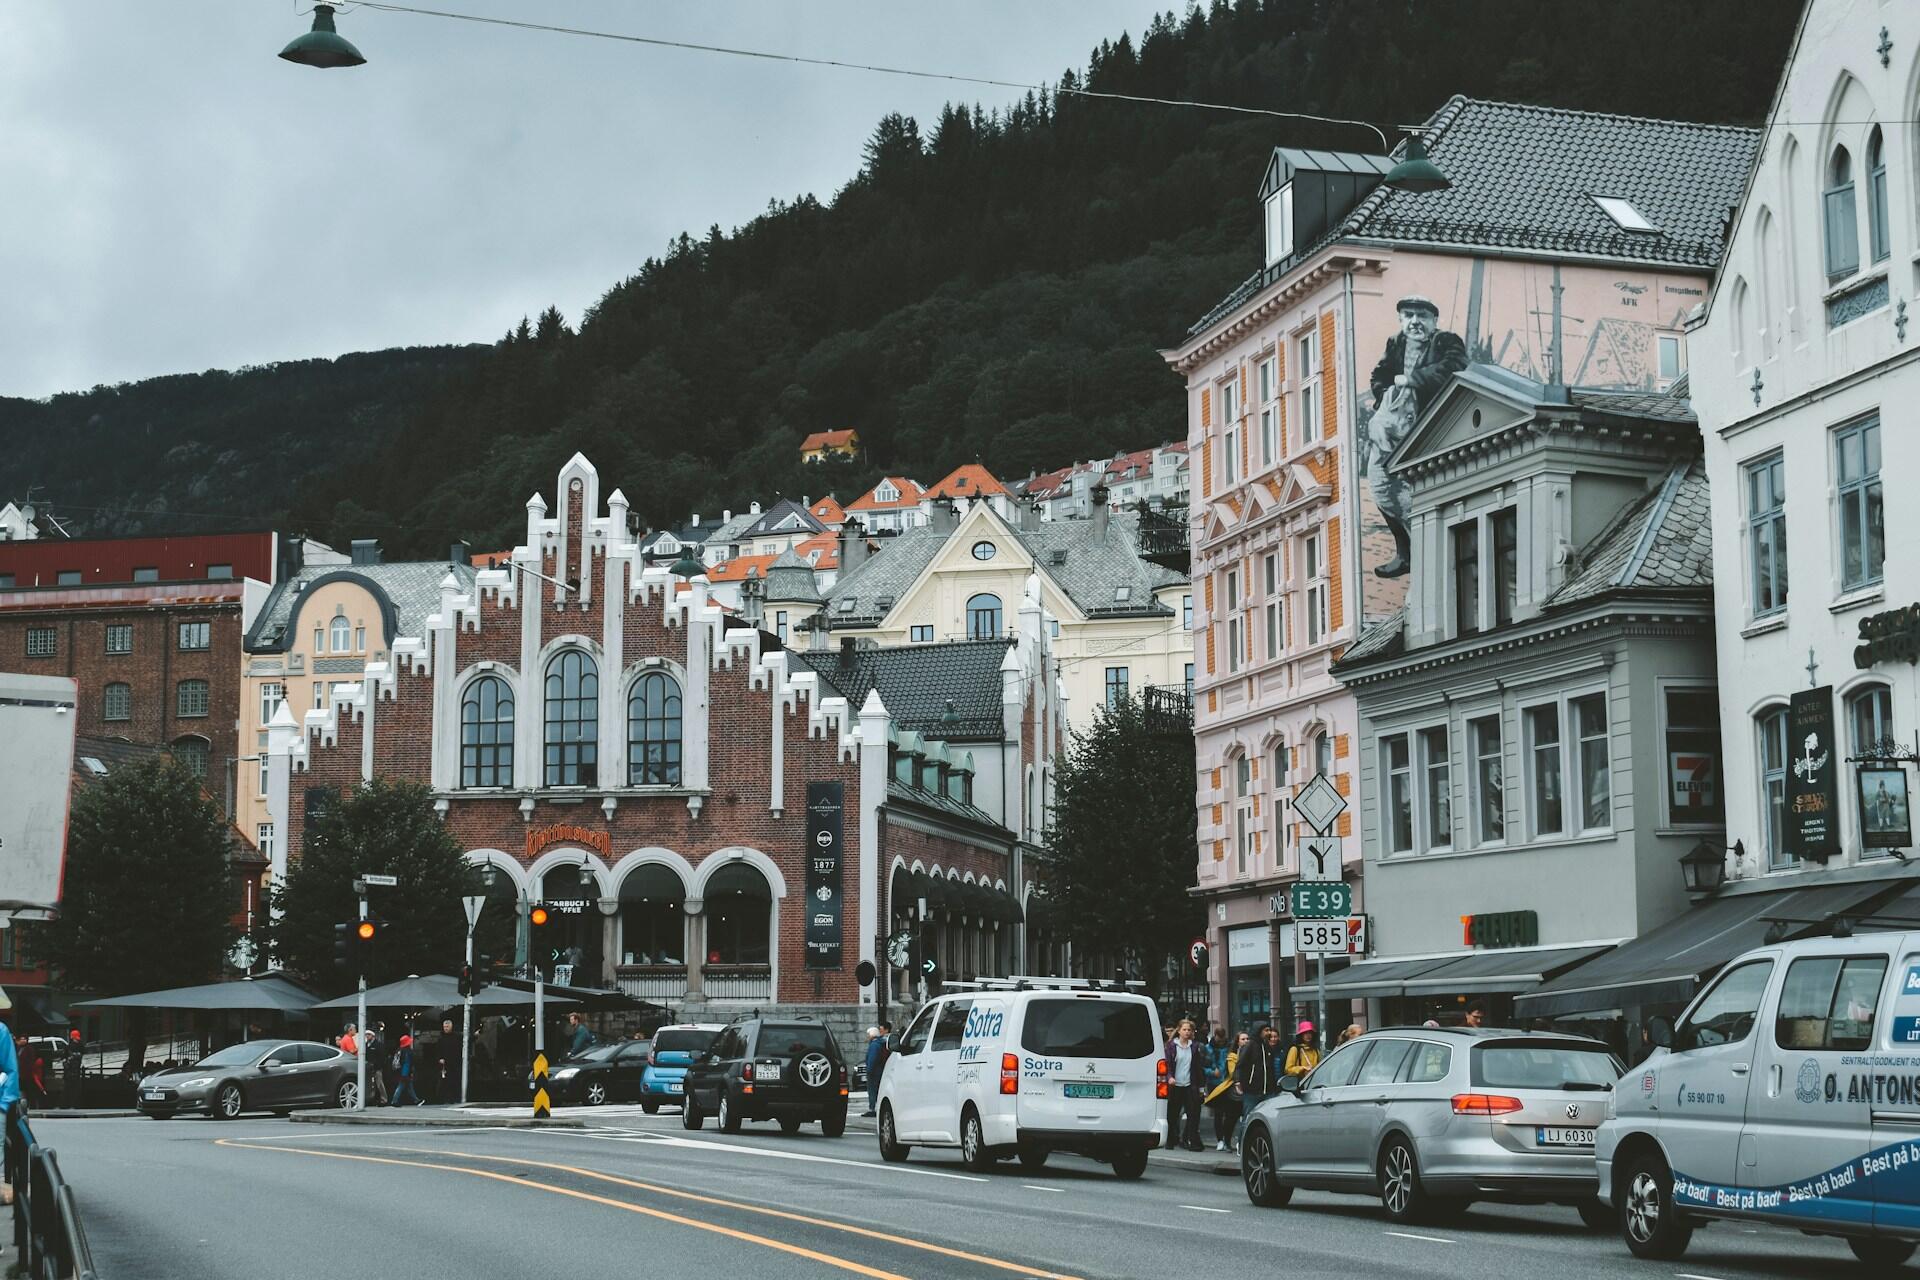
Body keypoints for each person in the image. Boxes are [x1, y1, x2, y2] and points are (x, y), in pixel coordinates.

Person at [1365, 295, 1468, 578]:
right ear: (1401, 320)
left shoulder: (1446, 342)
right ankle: (1404, 552)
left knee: (1417, 493)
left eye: (1422, 316)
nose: (1415, 322)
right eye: (1409, 316)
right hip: (1391, 427)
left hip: (1429, 428)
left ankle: (1432, 550)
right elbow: (1379, 375)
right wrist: (1385, 394)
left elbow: (1454, 367)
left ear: (1434, 320)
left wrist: (1411, 380)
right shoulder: (1396, 344)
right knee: (1380, 487)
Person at [1232, 1023, 1281, 1149]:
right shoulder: (1250, 1045)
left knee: (1268, 1119)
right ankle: (1242, 1144)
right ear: (1259, 1031)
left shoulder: (1267, 1046)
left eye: (1269, 1030)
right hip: (1252, 1090)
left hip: (1267, 1090)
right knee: (1248, 1117)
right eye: (1266, 1030)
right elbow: (1240, 1065)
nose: (1268, 1033)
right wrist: (1238, 1081)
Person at [1163, 1018, 1205, 1152]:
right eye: (1184, 1029)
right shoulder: (1171, 1046)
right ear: (1179, 1031)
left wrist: (1201, 1088)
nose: (1187, 1032)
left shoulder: (1194, 1047)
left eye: (1189, 1030)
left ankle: (1191, 1141)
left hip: (1189, 1085)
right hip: (1175, 1086)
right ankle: (1170, 1140)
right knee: (1172, 1115)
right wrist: (1169, 1077)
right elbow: (1167, 1064)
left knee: (1193, 1114)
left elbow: (1198, 1068)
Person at [1203, 1028, 1237, 1151]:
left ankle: (1225, 1139)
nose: (1221, 1041)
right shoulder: (1208, 1048)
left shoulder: (1229, 1048)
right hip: (1214, 1083)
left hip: (1227, 1083)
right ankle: (1220, 1140)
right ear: (1215, 1036)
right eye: (1219, 1039)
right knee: (1218, 1113)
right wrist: (1212, 1072)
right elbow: (1203, 1067)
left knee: (1228, 1113)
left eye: (1223, 1039)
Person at [863, 1023, 891, 1117]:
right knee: (878, 1090)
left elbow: (872, 1059)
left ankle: (872, 1109)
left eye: (868, 1034)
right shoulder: (880, 1043)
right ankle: (876, 1107)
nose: (867, 1037)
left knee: (872, 1090)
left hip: (874, 1072)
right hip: (879, 1071)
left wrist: (869, 1070)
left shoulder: (874, 1045)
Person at [361, 1023, 389, 1107]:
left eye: (368, 1034)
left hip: (377, 1067)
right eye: (366, 1034)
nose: (367, 1036)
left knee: (379, 1083)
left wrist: (378, 1065)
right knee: (371, 1084)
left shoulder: (378, 1045)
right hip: (368, 1067)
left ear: (373, 1036)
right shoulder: (366, 1045)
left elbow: (382, 1056)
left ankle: (384, 1099)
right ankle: (372, 1099)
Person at [390, 1035, 420, 1106]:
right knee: (401, 1086)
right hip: (404, 1072)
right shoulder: (407, 1051)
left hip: (399, 1071)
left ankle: (416, 1100)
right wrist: (406, 1074)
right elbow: (407, 1063)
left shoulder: (399, 1050)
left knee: (409, 1086)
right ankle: (394, 1101)